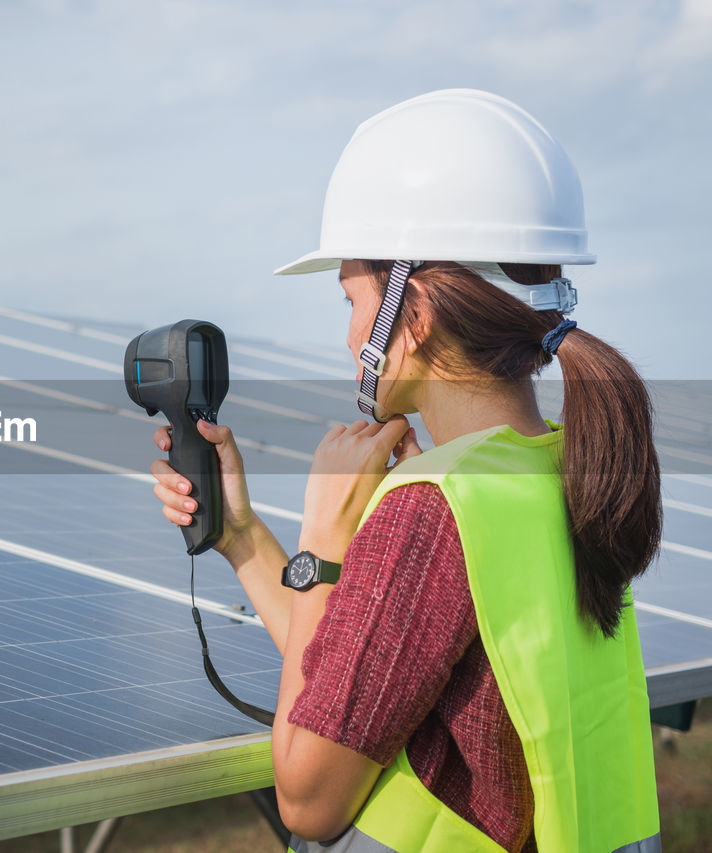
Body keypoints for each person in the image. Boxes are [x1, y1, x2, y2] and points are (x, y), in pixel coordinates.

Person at [148, 90, 661, 851]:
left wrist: (323, 544)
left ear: (411, 316)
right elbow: (365, 680)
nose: (349, 333)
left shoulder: (431, 511)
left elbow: (307, 799)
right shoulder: (559, 466)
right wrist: (245, 537)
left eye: (353, 299)